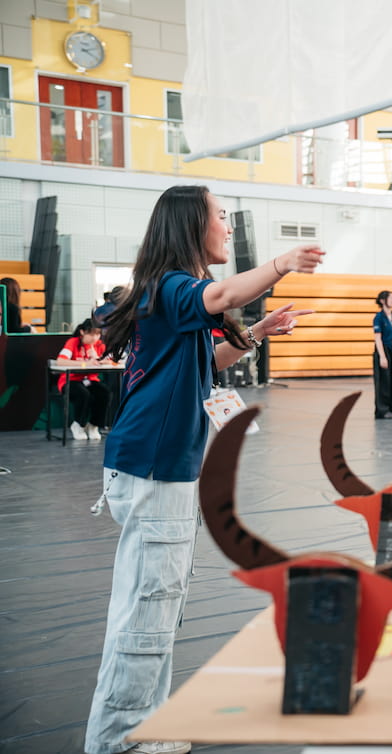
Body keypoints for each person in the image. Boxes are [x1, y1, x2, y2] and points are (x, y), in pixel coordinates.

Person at [85, 185, 322, 754]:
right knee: (147, 615)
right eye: (221, 217)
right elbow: (221, 295)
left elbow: (206, 361)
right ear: (193, 225)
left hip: (153, 468)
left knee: (155, 609)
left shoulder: (169, 293)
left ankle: (141, 729)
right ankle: (120, 741)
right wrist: (282, 263)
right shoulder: (174, 286)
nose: (228, 227)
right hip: (155, 468)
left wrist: (259, 334)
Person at [55, 318, 112, 441]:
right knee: (83, 394)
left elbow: (112, 361)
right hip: (71, 380)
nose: (95, 338)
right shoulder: (73, 342)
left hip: (90, 380)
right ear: (82, 332)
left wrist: (98, 359)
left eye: (97, 334)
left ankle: (93, 425)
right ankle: (78, 425)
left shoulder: (99, 346)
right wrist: (85, 364)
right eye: (91, 334)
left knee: (104, 393)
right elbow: (60, 361)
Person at [372, 289, 392, 419]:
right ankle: (382, 410)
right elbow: (378, 338)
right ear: (382, 301)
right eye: (390, 298)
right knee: (383, 382)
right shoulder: (379, 318)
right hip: (383, 350)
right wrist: (382, 357)